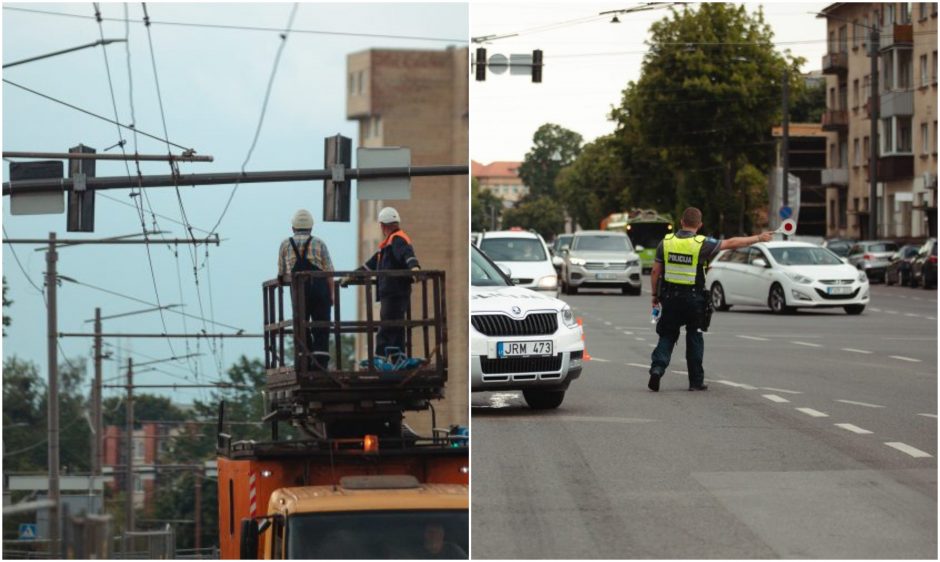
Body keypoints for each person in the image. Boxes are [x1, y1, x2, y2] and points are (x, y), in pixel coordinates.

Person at [647, 207, 773, 392]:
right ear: (699, 225)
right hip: (693, 298)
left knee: (667, 335)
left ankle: (657, 369)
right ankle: (696, 382)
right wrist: (758, 238)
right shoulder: (702, 244)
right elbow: (732, 243)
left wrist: (654, 296)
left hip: (670, 298)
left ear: (681, 222)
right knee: (694, 337)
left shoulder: (666, 243)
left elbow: (655, 271)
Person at [346, 207, 420, 358]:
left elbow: (407, 254)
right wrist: (352, 276)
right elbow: (369, 265)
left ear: (383, 226)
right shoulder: (386, 246)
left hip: (395, 292)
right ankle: (397, 358)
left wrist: (415, 267)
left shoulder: (397, 239)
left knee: (387, 326)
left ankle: (380, 358)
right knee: (394, 326)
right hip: (391, 293)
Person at [278, 209, 334, 370]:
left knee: (301, 325)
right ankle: (320, 365)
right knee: (321, 325)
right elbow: (329, 271)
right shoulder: (319, 243)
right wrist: (332, 295)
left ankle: (304, 362)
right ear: (311, 227)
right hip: (319, 288)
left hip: (298, 290)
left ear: (293, 227)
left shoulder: (285, 244)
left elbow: (281, 274)